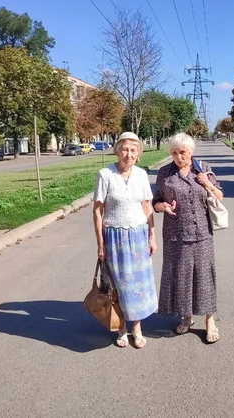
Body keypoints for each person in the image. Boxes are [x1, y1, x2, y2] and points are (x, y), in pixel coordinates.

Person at [152, 132, 224, 343]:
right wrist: (162, 207)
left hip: (202, 233)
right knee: (182, 277)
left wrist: (207, 184)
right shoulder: (165, 173)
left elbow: (219, 196)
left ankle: (210, 320)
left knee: (204, 275)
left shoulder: (203, 168)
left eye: (182, 152)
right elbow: (156, 201)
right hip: (175, 234)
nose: (178, 157)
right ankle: (186, 317)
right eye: (174, 153)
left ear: (190, 152)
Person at [92, 132, 158, 348]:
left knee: (136, 285)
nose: (128, 154)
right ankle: (120, 327)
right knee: (118, 284)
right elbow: (97, 211)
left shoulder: (140, 174)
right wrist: (100, 244)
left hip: (138, 235)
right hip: (115, 237)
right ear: (117, 150)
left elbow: (147, 207)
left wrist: (152, 235)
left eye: (133, 150)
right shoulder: (105, 174)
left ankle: (137, 328)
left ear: (138, 153)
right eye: (125, 149)